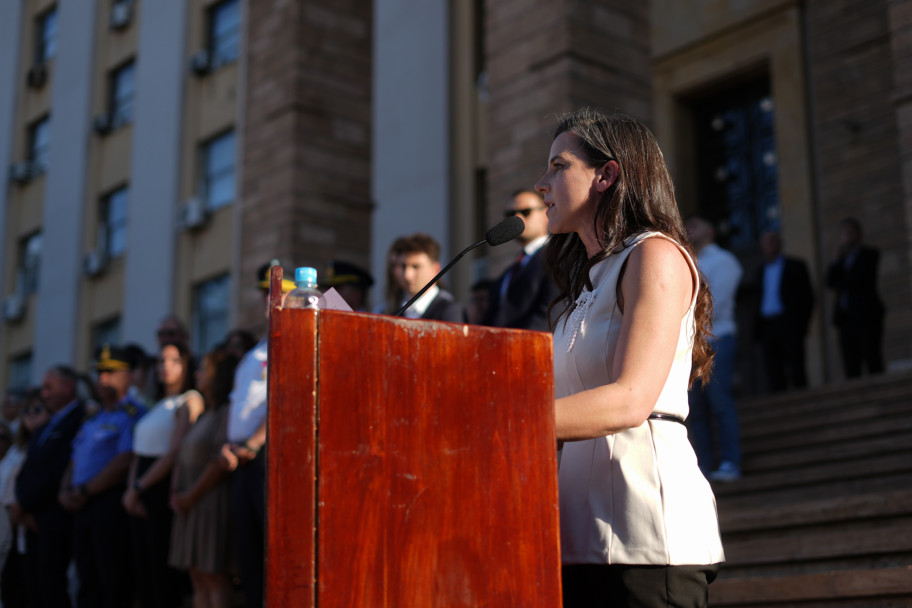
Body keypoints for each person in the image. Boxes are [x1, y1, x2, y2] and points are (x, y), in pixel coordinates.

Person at [536, 109, 723, 606]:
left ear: (607, 175)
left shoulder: (655, 255)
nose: (542, 183)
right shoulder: (586, 285)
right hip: (576, 537)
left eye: (558, 166)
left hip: (646, 537)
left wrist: (500, 419)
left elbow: (630, 399)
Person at [219, 260, 294, 608]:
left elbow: (286, 399)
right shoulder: (255, 353)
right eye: (266, 293)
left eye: (276, 293)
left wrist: (253, 442)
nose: (269, 300)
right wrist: (230, 446)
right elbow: (236, 407)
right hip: (241, 462)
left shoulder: (293, 339)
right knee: (249, 556)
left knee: (273, 555)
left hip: (268, 457)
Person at [60, 344, 147, 608]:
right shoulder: (94, 417)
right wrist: (64, 490)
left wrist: (86, 490)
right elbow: (74, 459)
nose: (102, 379)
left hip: (108, 504)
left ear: (128, 376)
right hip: (81, 506)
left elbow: (124, 460)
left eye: (110, 372)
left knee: (111, 578)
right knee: (86, 579)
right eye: (99, 373)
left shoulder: (133, 413)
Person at [122, 342, 201, 608]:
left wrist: (139, 488)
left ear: (186, 365)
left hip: (158, 488)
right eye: (161, 361)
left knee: (161, 574)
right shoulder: (155, 405)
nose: (165, 366)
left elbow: (174, 452)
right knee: (143, 574)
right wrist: (132, 489)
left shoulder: (189, 399)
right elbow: (137, 453)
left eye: (173, 360)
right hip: (140, 489)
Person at [170, 347, 240, 608]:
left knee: (213, 577)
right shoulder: (204, 414)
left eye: (205, 369)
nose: (197, 373)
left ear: (219, 374)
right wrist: (178, 494)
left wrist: (192, 495)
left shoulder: (226, 412)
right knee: (197, 576)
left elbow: (218, 461)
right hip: (190, 503)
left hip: (210, 501)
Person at [13, 366, 87, 608]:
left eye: (49, 387)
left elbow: (58, 469)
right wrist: (22, 505)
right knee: (34, 588)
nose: (44, 394)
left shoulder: (80, 418)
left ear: (68, 387)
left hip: (54, 518)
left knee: (52, 587)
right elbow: (29, 467)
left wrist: (25, 504)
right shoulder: (48, 424)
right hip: (31, 518)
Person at [684, 215, 744, 482]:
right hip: (691, 343)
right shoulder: (688, 261)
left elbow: (714, 304)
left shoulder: (724, 260)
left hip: (717, 337)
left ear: (710, 229)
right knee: (695, 408)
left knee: (719, 402)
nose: (688, 230)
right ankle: (705, 465)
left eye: (694, 225)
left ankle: (731, 461)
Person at [482, 189, 559, 331]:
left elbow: (549, 315)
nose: (517, 217)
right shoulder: (508, 273)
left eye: (526, 212)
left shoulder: (557, 258)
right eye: (510, 215)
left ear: (545, 214)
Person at [753, 231, 815, 392]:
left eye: (773, 241)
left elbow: (807, 298)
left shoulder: (795, 266)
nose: (770, 246)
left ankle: (803, 399)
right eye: (767, 243)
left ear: (780, 243)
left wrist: (802, 324)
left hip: (789, 322)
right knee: (773, 367)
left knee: (796, 364)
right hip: (768, 324)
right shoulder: (760, 271)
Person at [825, 217, 886, 378]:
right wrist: (836, 260)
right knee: (850, 364)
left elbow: (858, 279)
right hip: (845, 319)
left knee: (872, 359)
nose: (847, 236)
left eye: (850, 233)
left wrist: (841, 281)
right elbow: (830, 282)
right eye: (844, 234)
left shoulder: (870, 254)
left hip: (866, 316)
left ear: (859, 234)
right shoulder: (841, 260)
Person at [386, 233, 465, 322]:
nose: (407, 275)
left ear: (435, 269)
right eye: (404, 267)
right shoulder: (395, 314)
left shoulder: (449, 311)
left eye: (416, 267)